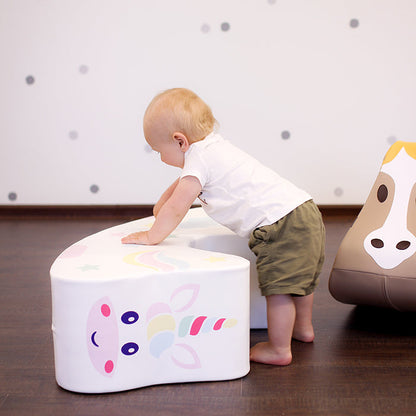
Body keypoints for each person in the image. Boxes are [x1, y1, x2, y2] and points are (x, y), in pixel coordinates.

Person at [122, 88, 325, 366]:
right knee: (299, 280)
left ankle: (279, 349)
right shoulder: (212, 149)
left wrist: (151, 235)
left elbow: (175, 209)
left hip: (280, 225)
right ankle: (302, 329)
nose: (160, 158)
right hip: (304, 210)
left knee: (278, 289)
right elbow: (173, 197)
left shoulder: (199, 162)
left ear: (179, 141)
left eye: (159, 151)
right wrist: (160, 209)